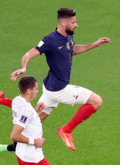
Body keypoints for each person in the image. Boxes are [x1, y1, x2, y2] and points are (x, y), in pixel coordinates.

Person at [9, 8, 111, 151]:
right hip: (59, 89)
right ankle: (66, 130)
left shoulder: (69, 36)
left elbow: (73, 50)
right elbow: (28, 54)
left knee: (36, 119)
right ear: (63, 24)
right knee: (97, 101)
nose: (76, 25)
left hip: (49, 87)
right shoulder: (50, 40)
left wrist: (94, 44)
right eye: (73, 22)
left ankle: (17, 143)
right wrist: (24, 68)